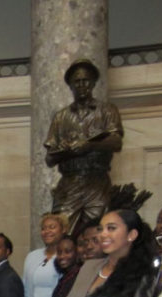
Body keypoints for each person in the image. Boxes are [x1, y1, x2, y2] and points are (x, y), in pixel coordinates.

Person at [45, 59, 123, 236]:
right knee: (61, 233)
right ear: (70, 85)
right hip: (69, 183)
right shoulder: (61, 117)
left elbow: (116, 142)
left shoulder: (106, 110)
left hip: (96, 181)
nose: (81, 85)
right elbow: (49, 159)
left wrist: (89, 145)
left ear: (94, 83)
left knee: (98, 232)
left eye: (86, 80)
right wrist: (65, 151)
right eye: (77, 81)